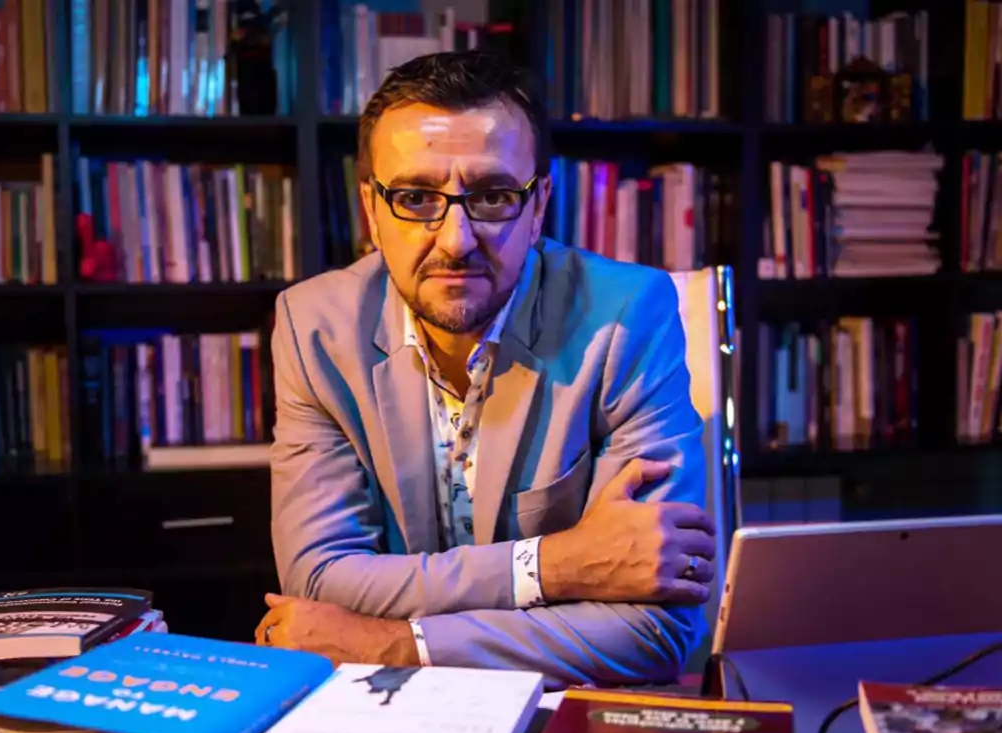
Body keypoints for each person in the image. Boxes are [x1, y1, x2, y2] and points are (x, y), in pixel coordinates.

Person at [254, 50, 717, 689]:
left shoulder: (629, 317)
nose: (455, 239)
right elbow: (319, 577)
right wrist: (554, 566)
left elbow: (655, 630)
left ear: (539, 206)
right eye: (415, 197)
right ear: (371, 209)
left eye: (494, 196)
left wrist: (395, 643)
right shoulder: (314, 328)